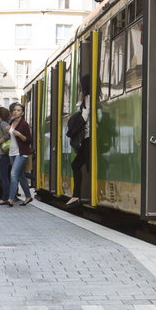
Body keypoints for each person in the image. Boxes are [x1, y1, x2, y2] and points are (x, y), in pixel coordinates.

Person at [67, 74, 91, 209]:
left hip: (88, 138)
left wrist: (80, 102)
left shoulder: (88, 98)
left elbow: (83, 117)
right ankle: (77, 195)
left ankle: (76, 196)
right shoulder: (91, 97)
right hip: (87, 138)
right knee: (79, 165)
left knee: (76, 165)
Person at [5, 101, 34, 205]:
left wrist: (20, 135)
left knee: (13, 174)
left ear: (22, 113)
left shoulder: (24, 124)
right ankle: (28, 196)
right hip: (12, 152)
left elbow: (29, 140)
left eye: (18, 110)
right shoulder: (11, 122)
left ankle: (11, 199)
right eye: (14, 110)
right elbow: (10, 136)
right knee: (21, 175)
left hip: (21, 153)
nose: (15, 112)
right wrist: (7, 130)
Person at [0, 107, 13, 206]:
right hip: (3, 153)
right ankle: (7, 196)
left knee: (2, 177)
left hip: (3, 154)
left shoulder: (3, 123)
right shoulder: (5, 123)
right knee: (2, 176)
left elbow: (8, 135)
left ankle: (5, 198)